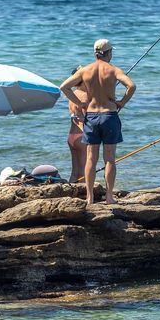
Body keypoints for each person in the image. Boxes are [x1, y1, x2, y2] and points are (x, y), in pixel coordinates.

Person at [59, 38, 136, 204]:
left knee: (91, 159)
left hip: (91, 116)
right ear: (109, 53)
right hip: (109, 115)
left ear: (95, 54)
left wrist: (80, 103)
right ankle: (109, 197)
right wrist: (122, 102)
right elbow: (131, 86)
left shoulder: (85, 71)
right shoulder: (114, 70)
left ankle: (89, 197)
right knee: (109, 159)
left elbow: (64, 87)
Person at [64, 67, 89, 183]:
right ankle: (85, 196)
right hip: (82, 136)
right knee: (84, 171)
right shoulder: (85, 95)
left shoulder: (73, 94)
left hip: (71, 136)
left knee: (75, 172)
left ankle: (71, 193)